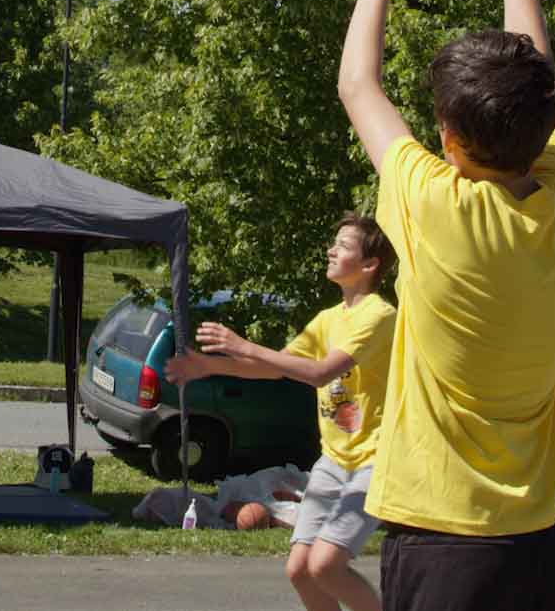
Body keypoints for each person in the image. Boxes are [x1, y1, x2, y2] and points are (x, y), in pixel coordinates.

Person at [335, 0, 555, 611]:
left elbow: (358, 85)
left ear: (449, 141)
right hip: (541, 547)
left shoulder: (433, 204)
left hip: (443, 543)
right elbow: (539, 77)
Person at [167, 212, 399, 611]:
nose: (331, 250)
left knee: (325, 566)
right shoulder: (330, 318)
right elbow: (277, 367)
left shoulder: (378, 315)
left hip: (373, 463)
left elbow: (319, 373)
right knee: (299, 569)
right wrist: (212, 365)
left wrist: (244, 346)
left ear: (369, 264)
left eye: (343, 246)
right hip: (334, 461)